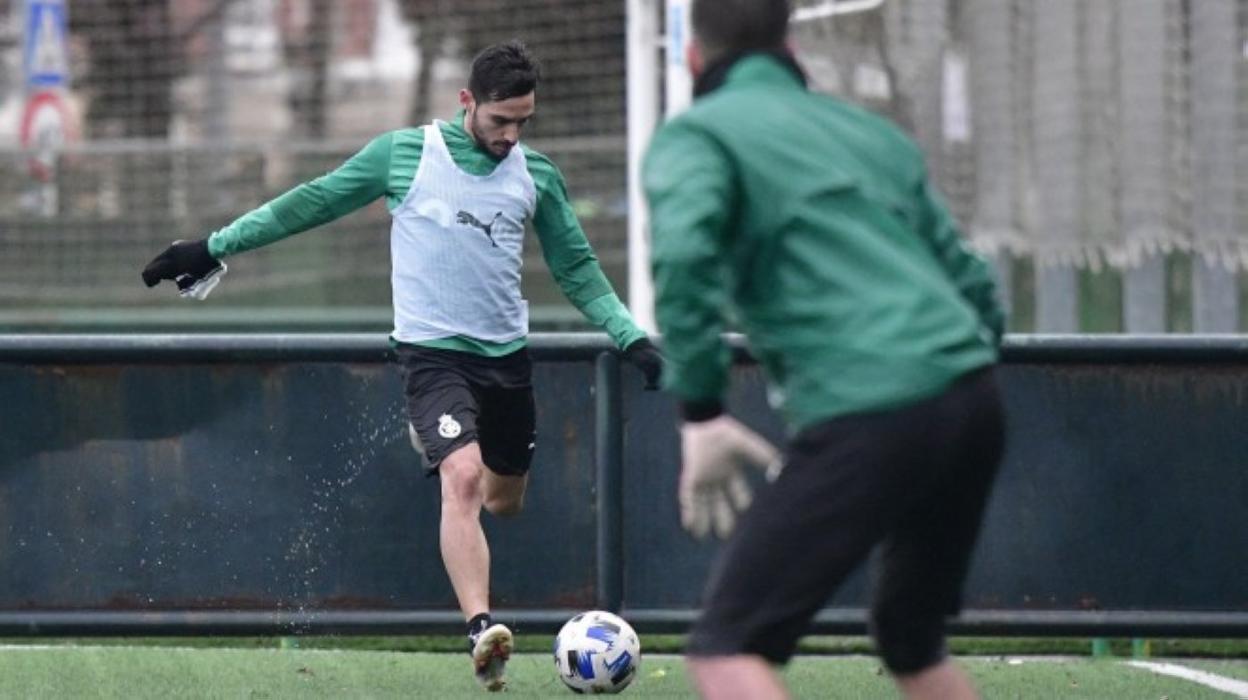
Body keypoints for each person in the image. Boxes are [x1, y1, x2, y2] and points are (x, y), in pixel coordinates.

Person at [142, 40, 662, 692]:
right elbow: (308, 202)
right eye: (500, 121)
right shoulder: (405, 154)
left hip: (506, 362)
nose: (510, 135)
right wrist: (212, 246)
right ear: (466, 102)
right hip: (431, 355)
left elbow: (578, 270)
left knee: (504, 500)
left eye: (522, 123)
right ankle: (482, 631)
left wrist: (630, 336)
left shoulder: (537, 176)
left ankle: (442, 443)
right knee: (464, 478)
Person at [642, 1, 1007, 698]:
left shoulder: (697, 137)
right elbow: (974, 287)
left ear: (693, 55)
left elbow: (684, 261)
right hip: (973, 397)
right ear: (791, 45)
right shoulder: (870, 134)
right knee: (910, 638)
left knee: (726, 647)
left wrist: (701, 411)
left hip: (873, 406)